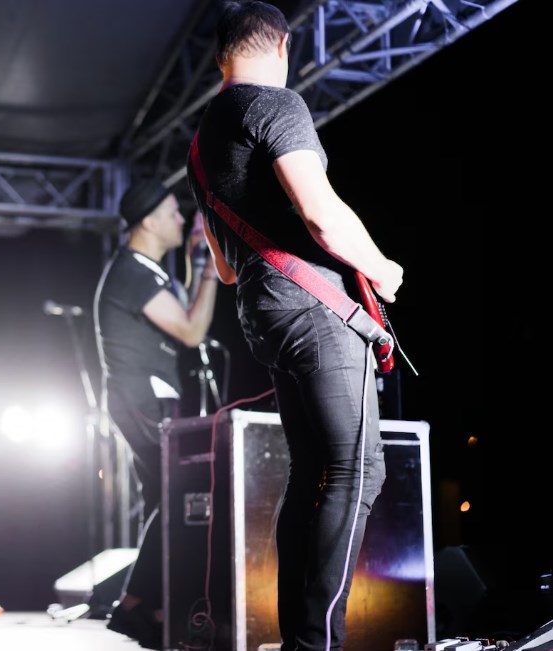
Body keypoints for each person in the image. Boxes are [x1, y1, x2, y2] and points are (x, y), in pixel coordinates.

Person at [186, 3, 404, 650]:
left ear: (220, 52)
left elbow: (224, 268)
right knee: (356, 469)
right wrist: (382, 268)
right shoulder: (274, 104)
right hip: (313, 308)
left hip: (263, 307)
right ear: (281, 44)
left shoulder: (200, 142)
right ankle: (316, 643)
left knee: (314, 472)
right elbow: (322, 216)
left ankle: (301, 637)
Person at [94, 178, 222, 650]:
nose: (181, 219)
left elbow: (183, 308)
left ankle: (150, 605)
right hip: (142, 397)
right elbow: (192, 328)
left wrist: (196, 259)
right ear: (148, 221)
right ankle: (135, 605)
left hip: (147, 396)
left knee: (163, 499)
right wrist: (208, 263)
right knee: (178, 494)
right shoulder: (131, 272)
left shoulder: (145, 269)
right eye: (172, 212)